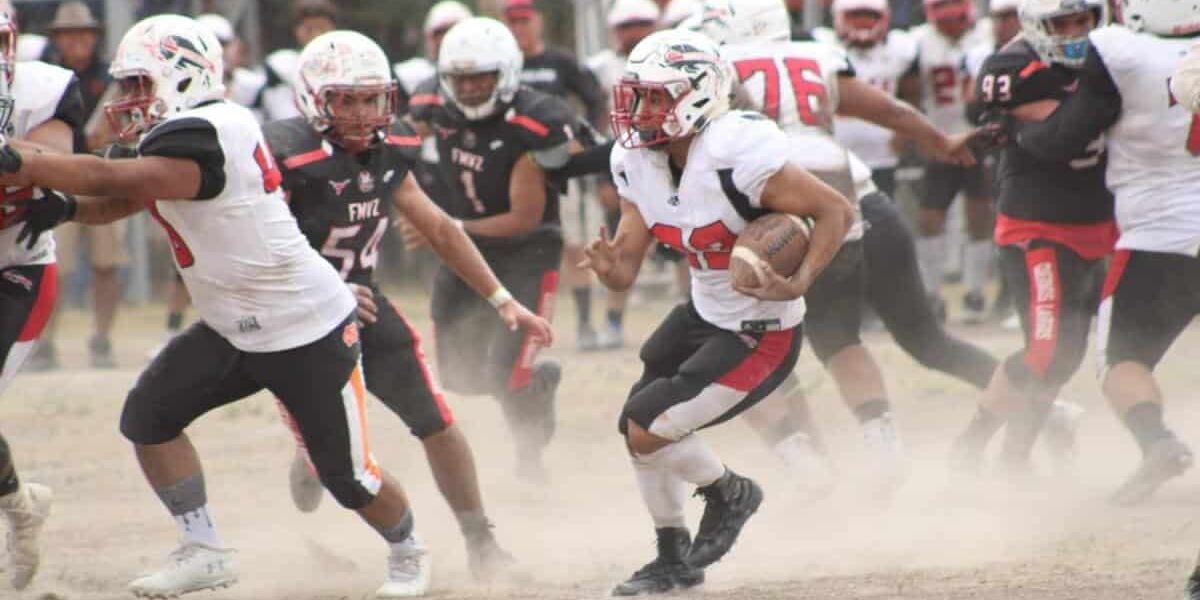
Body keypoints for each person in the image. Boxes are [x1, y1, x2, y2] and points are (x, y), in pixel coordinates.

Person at [3, 15, 549, 598]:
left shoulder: (212, 131)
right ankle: (206, 548)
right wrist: (65, 208)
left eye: (139, 84)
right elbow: (124, 194)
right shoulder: (219, 135)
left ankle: (413, 551)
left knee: (351, 475)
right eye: (128, 85)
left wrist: (23, 162)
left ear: (182, 77)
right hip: (236, 324)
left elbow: (112, 177)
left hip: (305, 324)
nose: (127, 99)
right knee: (148, 418)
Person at [585, 28, 853, 595]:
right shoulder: (635, 159)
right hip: (705, 313)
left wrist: (801, 279)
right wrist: (613, 271)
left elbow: (835, 210)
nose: (640, 109)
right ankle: (671, 556)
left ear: (699, 95)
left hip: (762, 332)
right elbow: (628, 262)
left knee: (647, 425)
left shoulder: (739, 150)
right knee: (636, 426)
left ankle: (732, 494)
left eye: (656, 96)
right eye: (638, 95)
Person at [686, 0, 980, 495]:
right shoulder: (815, 53)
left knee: (735, 346)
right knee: (843, 338)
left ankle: (803, 461)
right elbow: (886, 108)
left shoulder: (718, 65)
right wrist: (939, 141)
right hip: (852, 197)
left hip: (772, 199)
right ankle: (883, 447)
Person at [267, 30, 529, 579]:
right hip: (297, 319)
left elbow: (437, 225)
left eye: (371, 99)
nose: (363, 114)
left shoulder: (395, 148)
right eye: (345, 100)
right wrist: (319, 290)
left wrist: (502, 298)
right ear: (315, 98)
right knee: (334, 461)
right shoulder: (285, 155)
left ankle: (482, 541)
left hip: (367, 306)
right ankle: (313, 446)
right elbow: (257, 246)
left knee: (436, 421)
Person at [403, 17, 574, 482]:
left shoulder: (532, 123)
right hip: (463, 251)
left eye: (483, 76)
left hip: (528, 254)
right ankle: (530, 390)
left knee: (508, 371)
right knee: (457, 373)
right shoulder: (432, 104)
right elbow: (398, 145)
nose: (473, 88)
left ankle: (529, 458)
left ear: (508, 73)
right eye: (462, 78)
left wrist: (446, 227)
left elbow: (524, 218)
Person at [0, 1, 83, 589]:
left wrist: (54, 178)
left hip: (17, 267)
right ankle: (20, 505)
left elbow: (48, 160)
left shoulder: (41, 90)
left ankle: (20, 509)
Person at [502, 0, 611, 350]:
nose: (519, 28)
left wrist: (585, 139)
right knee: (519, 243)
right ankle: (517, 320)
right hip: (515, 168)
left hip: (559, 169)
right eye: (513, 22)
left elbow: (595, 98)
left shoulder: (560, 62)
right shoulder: (503, 65)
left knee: (575, 244)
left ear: (539, 22)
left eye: (525, 21)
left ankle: (583, 324)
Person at [28, 0, 123, 370]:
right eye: (69, 34)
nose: (77, 40)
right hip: (60, 176)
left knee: (106, 264)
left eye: (83, 33)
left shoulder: (113, 76)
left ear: (93, 36)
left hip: (104, 177)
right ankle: (45, 342)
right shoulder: (46, 78)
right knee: (55, 264)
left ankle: (102, 338)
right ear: (58, 39)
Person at [899, 0, 994, 322]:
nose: (951, 18)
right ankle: (931, 295)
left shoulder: (986, 34)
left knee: (980, 214)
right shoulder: (917, 42)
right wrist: (917, 132)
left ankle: (975, 293)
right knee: (929, 218)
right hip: (938, 139)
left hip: (980, 139)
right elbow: (908, 92)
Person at [584, 0, 661, 350]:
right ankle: (614, 323)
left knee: (688, 249)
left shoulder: (674, 59)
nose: (635, 32)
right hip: (627, 164)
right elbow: (598, 124)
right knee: (623, 245)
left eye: (642, 24)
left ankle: (696, 313)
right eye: (628, 25)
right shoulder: (602, 67)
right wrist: (603, 177)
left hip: (673, 160)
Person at [815, 0, 917, 199]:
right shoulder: (820, 45)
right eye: (855, 15)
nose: (863, 22)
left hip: (881, 156)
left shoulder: (900, 48)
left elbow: (911, 94)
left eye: (870, 15)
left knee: (879, 221)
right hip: (833, 156)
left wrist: (904, 134)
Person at [259, 0, 337, 122]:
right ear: (297, 30)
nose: (316, 35)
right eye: (309, 29)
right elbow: (282, 116)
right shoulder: (282, 65)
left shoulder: (345, 63)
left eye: (322, 29)